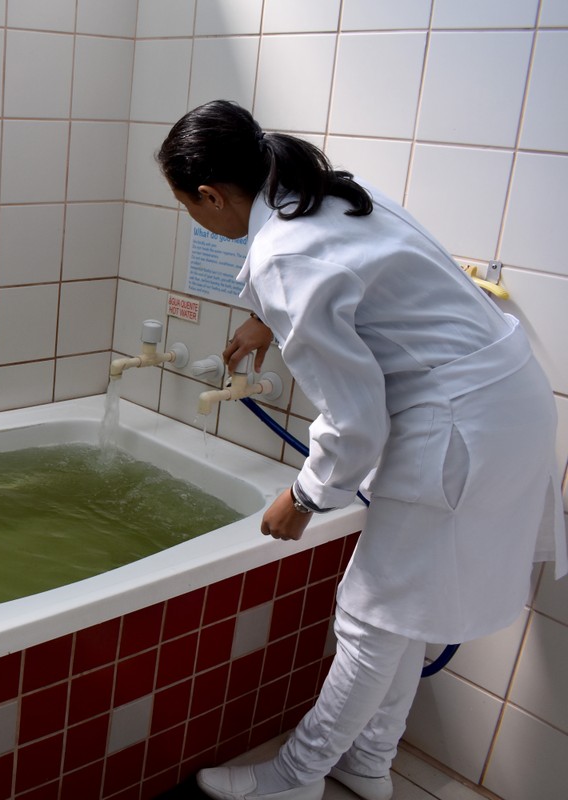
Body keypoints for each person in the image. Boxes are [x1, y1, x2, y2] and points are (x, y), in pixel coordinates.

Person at [157, 100, 566, 800]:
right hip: (508, 404)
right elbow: (365, 279)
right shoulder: (328, 192)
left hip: (457, 428)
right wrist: (264, 319)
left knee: (371, 616)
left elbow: (357, 421)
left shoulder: (284, 254)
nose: (199, 223)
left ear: (210, 195)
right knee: (404, 612)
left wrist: (306, 497)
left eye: (190, 209)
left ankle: (294, 778)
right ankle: (370, 762)